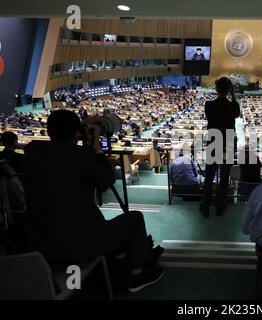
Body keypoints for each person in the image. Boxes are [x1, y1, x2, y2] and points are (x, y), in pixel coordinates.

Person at [23, 110, 164, 292]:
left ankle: (122, 255)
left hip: (39, 245)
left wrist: (78, 127)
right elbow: (108, 179)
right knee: (134, 218)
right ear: (76, 134)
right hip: (79, 243)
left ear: (49, 131)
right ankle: (137, 275)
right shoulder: (81, 156)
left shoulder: (32, 152)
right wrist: (96, 147)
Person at [199, 77, 241, 217]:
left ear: (216, 89)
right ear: (229, 89)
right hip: (228, 141)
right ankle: (220, 206)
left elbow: (209, 117)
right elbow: (237, 112)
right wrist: (233, 94)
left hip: (214, 140)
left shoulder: (209, 105)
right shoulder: (233, 105)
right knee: (224, 176)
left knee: (209, 175)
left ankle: (205, 205)